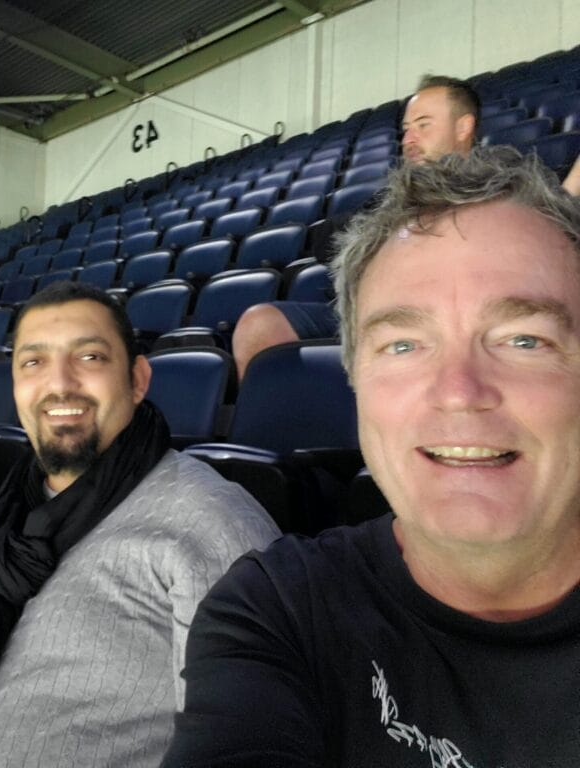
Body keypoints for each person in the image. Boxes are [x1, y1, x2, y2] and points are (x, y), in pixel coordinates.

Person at [163, 147, 580, 765]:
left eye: (524, 339)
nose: (460, 393)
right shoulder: (273, 610)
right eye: (404, 344)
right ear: (354, 376)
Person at [0, 281, 279, 768]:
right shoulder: (11, 517)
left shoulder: (211, 523)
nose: (59, 383)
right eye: (33, 362)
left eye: (91, 357)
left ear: (138, 380)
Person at [230, 75, 482, 381]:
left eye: (423, 125)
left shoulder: (498, 189)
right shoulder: (392, 197)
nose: (409, 140)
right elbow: (325, 241)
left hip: (445, 316)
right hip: (369, 313)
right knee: (260, 324)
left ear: (463, 127)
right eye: (406, 130)